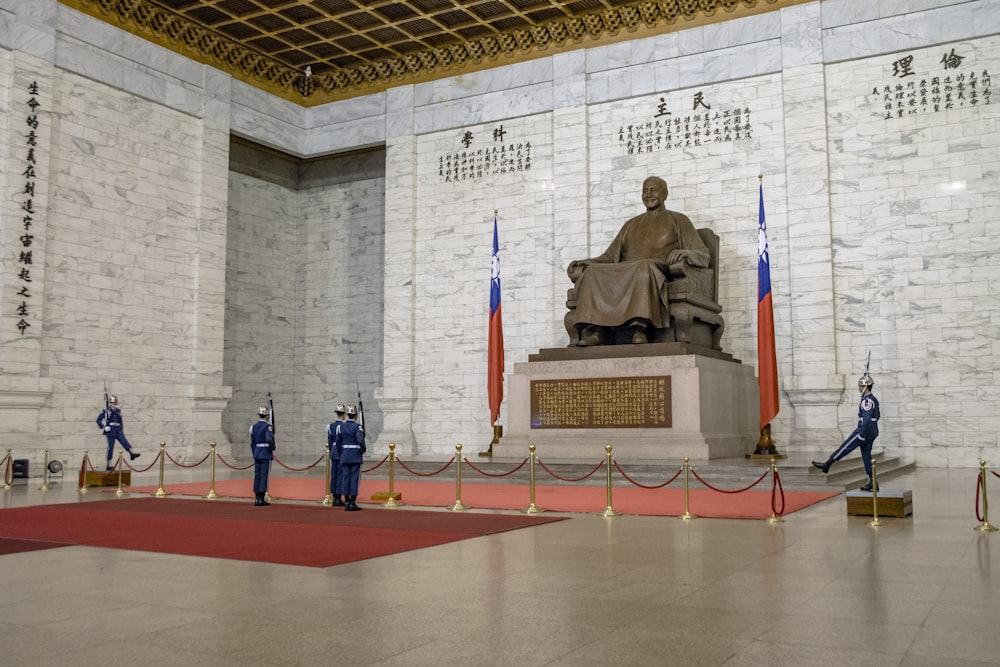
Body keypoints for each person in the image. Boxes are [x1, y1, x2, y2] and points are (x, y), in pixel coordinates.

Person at [566, 176, 710, 345]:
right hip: (628, 269)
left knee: (644, 266)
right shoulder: (631, 224)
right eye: (645, 191)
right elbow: (610, 257)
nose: (649, 195)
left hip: (657, 268)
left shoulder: (678, 220)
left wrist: (685, 253)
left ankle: (639, 329)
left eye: (653, 190)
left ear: (665, 194)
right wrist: (586, 262)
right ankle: (596, 331)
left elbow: (703, 254)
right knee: (592, 272)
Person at [812, 372, 881, 491]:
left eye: (860, 386)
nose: (859, 388)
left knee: (846, 446)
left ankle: (827, 464)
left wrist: (862, 434)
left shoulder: (867, 401)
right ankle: (872, 482)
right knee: (866, 456)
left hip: (864, 431)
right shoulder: (872, 399)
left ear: (865, 387)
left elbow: (867, 418)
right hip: (872, 431)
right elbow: (877, 415)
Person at [95, 395, 140, 471]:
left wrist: (121, 430)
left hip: (118, 430)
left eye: (115, 401)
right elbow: (98, 420)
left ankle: (131, 453)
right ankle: (109, 464)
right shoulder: (106, 410)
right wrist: (103, 426)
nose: (114, 402)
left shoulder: (119, 411)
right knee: (110, 447)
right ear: (110, 402)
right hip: (110, 430)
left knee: (124, 441)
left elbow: (120, 422)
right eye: (113, 401)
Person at [336, 403, 366, 511]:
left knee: (345, 478)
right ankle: (352, 502)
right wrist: (362, 450)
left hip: (344, 455)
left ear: (348, 414)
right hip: (355, 456)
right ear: (356, 415)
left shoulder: (341, 427)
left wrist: (341, 454)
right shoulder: (357, 427)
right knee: (354, 479)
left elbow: (338, 443)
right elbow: (360, 441)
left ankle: (347, 501)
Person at [250, 405, 276, 506]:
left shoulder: (254, 427)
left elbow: (252, 443)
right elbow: (269, 439)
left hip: (257, 452)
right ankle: (261, 497)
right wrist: (272, 448)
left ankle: (256, 497)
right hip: (265, 452)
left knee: (257, 475)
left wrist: (255, 452)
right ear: (266, 416)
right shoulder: (267, 427)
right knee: (264, 475)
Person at [326, 403, 347, 507]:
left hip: (333, 451)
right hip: (341, 451)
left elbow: (330, 441)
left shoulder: (330, 426)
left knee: (334, 474)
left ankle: (334, 495)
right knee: (339, 475)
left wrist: (332, 451)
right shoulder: (343, 426)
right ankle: (338, 497)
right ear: (343, 414)